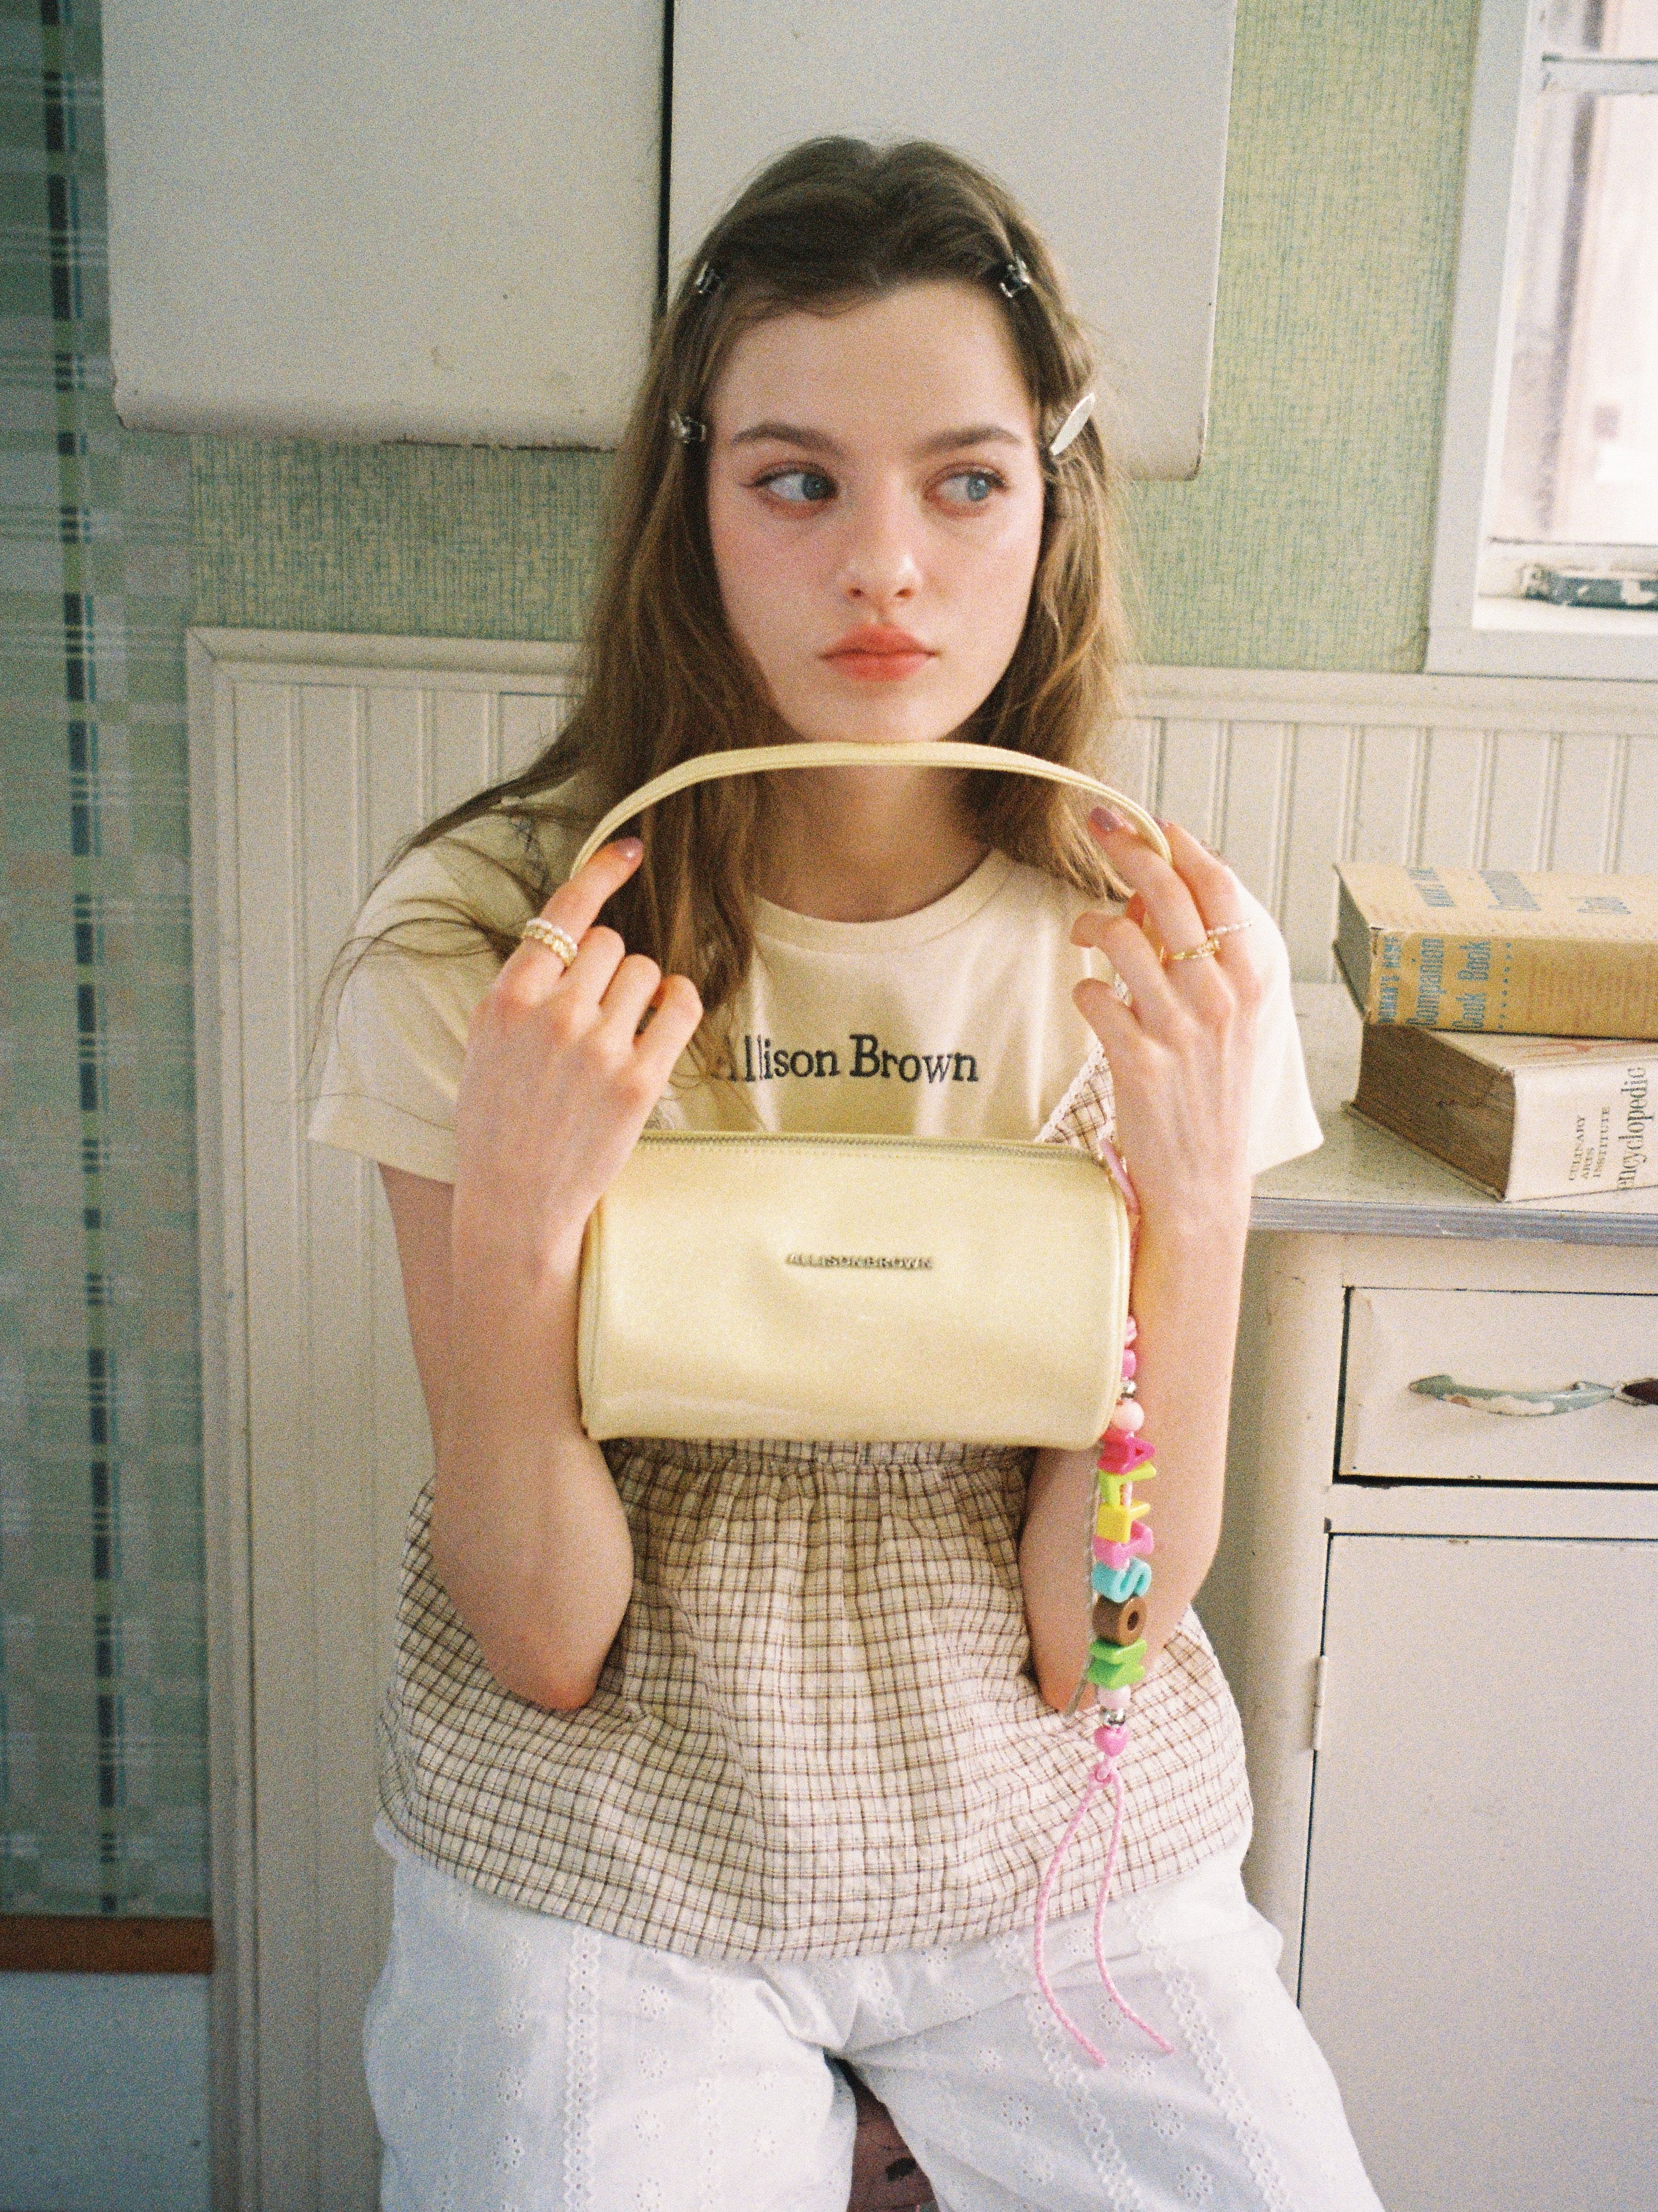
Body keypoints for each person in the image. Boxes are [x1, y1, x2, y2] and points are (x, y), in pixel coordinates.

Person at [312, 138, 1383, 2212]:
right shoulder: (489, 944)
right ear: (691, 508)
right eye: (797, 482)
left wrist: (1193, 1212)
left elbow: (1098, 1640)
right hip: (610, 1852)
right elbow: (541, 1641)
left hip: (1047, 1845)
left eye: (963, 482)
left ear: (1049, 507)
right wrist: (521, 1225)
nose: (885, 566)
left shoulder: (1161, 958)